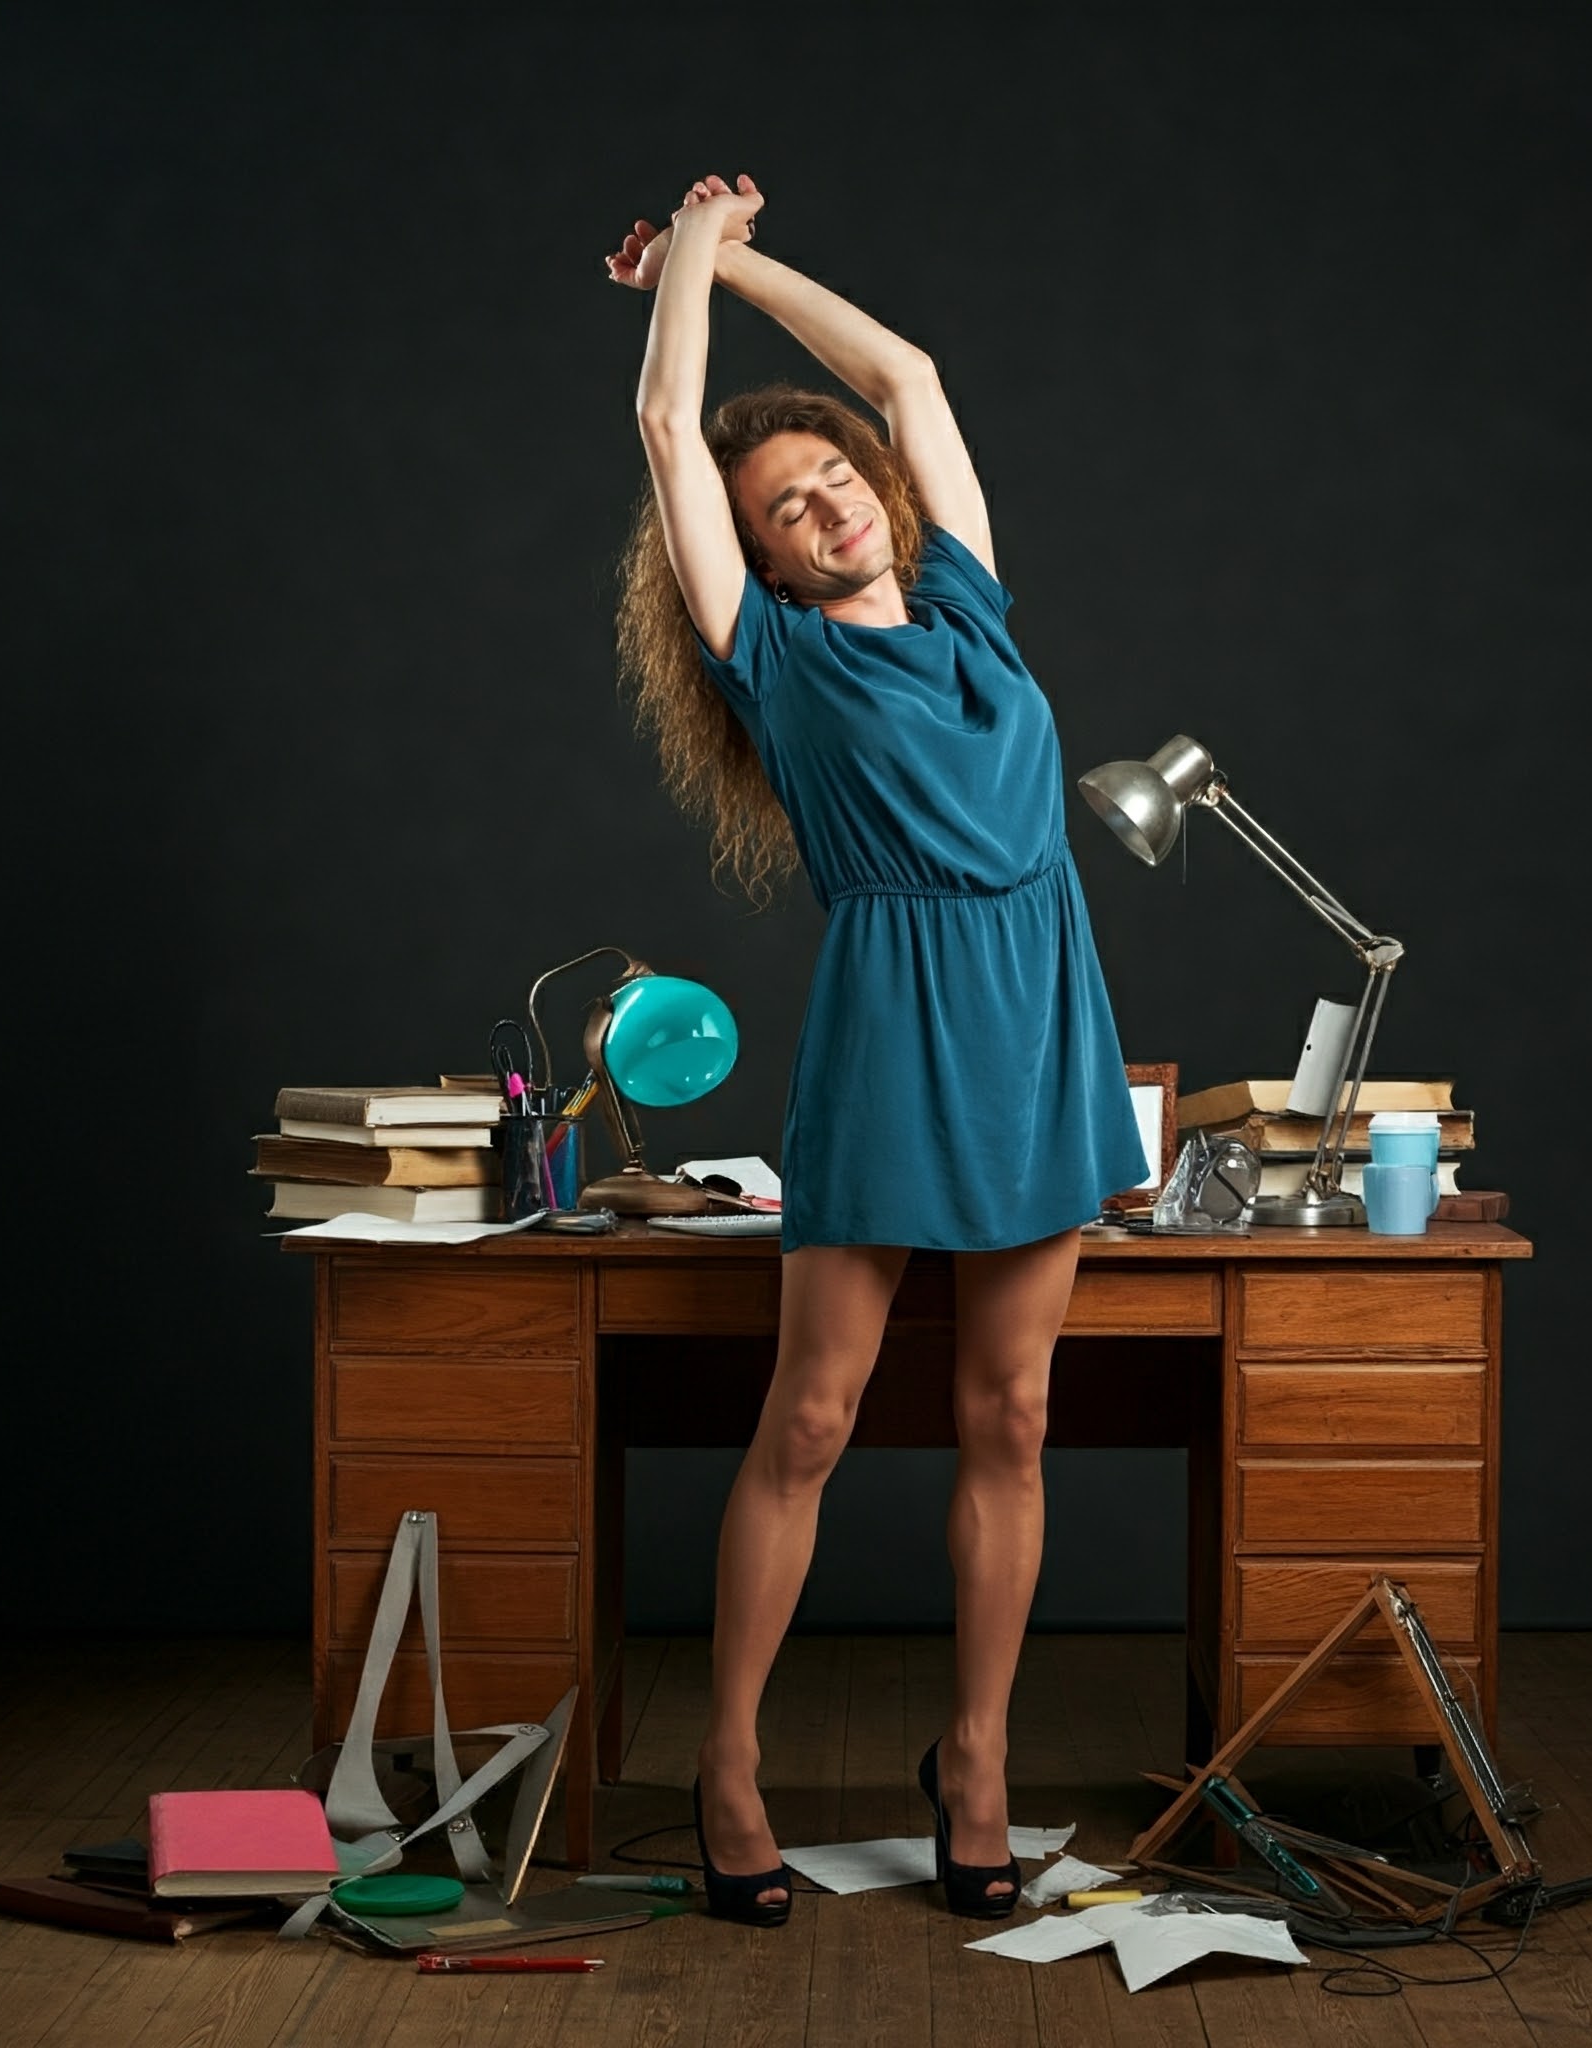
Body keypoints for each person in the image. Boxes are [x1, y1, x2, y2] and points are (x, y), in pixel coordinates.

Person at [605, 173, 1148, 1925]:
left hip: (1043, 1019)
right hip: (898, 1027)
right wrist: (682, 257)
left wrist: (748, 260)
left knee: (1014, 1411)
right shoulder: (770, 657)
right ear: (752, 556)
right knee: (818, 1415)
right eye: (788, 504)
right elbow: (665, 418)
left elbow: (906, 375)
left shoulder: (971, 604)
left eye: (835, 480)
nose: (827, 502)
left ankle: (975, 1759)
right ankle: (731, 1762)